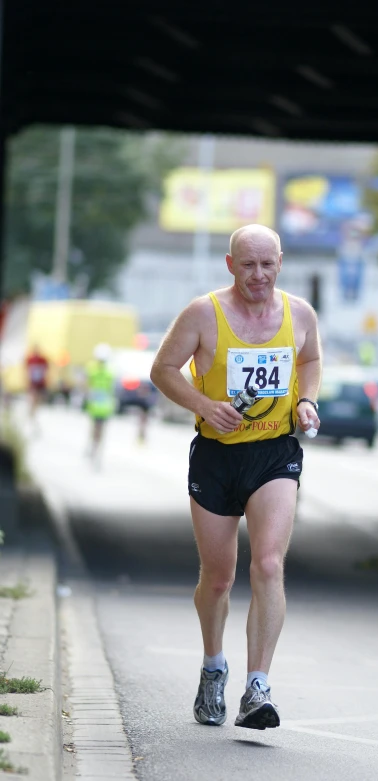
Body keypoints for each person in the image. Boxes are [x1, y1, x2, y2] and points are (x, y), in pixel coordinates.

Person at [150, 224, 322, 730]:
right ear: (230, 265)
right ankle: (213, 666)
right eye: (248, 265)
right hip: (216, 456)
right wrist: (205, 405)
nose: (259, 275)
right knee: (219, 577)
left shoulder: (300, 314)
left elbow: (310, 358)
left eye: (268, 264)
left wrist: (307, 400)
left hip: (275, 454)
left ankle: (258, 687)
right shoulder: (204, 313)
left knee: (268, 564)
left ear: (280, 263)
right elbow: (162, 370)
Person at [85, 343, 115, 469]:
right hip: (103, 405)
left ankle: (94, 449)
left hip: (97, 405)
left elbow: (87, 385)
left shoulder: (92, 369)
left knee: (95, 429)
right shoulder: (110, 370)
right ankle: (96, 451)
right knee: (100, 430)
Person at [25, 345, 50, 424]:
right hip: (33, 382)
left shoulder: (43, 359)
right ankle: (31, 412)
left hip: (40, 382)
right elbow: (26, 370)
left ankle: (33, 411)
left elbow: (46, 370)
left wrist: (47, 379)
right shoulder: (30, 359)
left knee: (38, 398)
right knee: (33, 396)